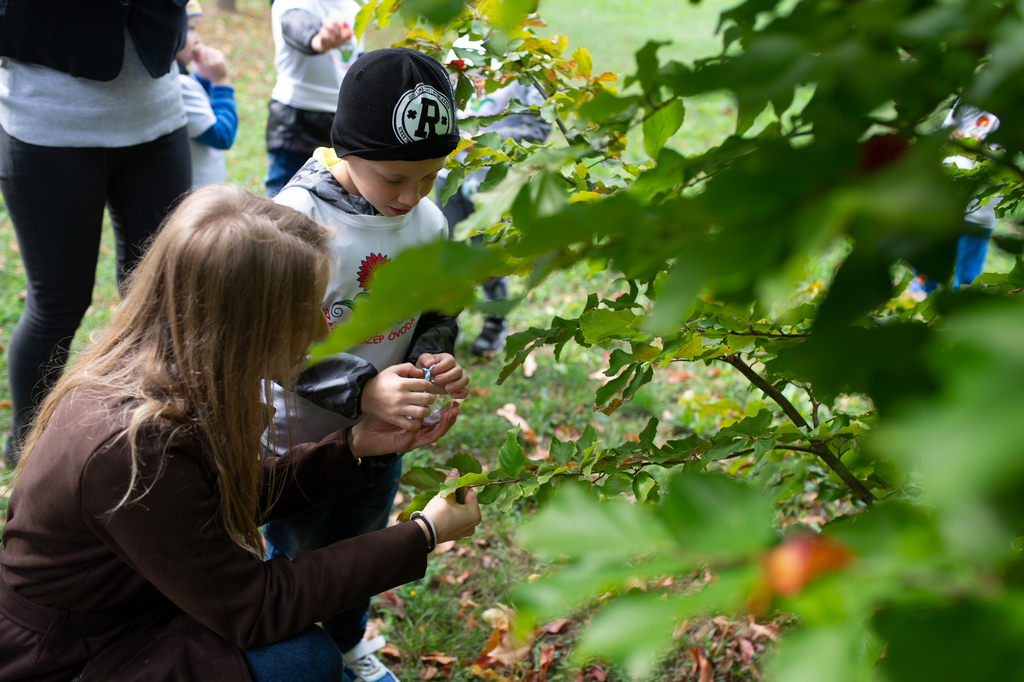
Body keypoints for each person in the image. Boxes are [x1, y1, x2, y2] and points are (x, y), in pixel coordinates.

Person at [0, 185, 481, 682]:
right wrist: (423, 533)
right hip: (71, 660)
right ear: (244, 326)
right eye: (306, 311)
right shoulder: (135, 445)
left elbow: (208, 504)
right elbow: (256, 607)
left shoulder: (168, 376)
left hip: (139, 608)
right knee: (299, 659)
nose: (322, 332)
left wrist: (354, 448)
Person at [264, 47, 469, 682]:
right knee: (298, 545)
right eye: (395, 178)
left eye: (430, 177)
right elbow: (275, 343)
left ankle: (349, 642)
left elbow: (436, 309)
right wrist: (361, 390)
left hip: (382, 436)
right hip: (294, 441)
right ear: (345, 149)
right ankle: (292, 637)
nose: (412, 197)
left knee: (362, 539)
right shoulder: (296, 225)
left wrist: (432, 355)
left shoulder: (429, 222)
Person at [0, 1, 193, 468]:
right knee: (58, 304)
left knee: (160, 301)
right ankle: (28, 450)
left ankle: (143, 437)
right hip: (48, 126)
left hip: (158, 120)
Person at [435, 42, 550, 355]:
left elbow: (538, 126)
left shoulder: (524, 62)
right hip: (447, 178)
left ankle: (495, 321)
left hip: (494, 184)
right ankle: (444, 326)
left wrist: (485, 144)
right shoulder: (456, 47)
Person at [265, 0, 365, 198]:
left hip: (341, 120)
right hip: (296, 122)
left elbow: (353, 63)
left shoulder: (354, 9)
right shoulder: (293, 3)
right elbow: (297, 25)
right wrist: (319, 40)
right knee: (283, 209)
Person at [907, 104, 1001, 299]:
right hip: (950, 188)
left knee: (971, 249)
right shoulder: (974, 99)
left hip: (983, 199)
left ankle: (963, 299)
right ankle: (923, 288)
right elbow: (946, 129)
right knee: (936, 238)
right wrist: (953, 135)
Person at [176, 1, 239, 189]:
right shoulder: (179, 86)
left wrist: (203, 77)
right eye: (191, 29)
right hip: (196, 194)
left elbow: (199, 101)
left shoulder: (181, 80)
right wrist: (221, 82)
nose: (198, 39)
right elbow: (222, 135)